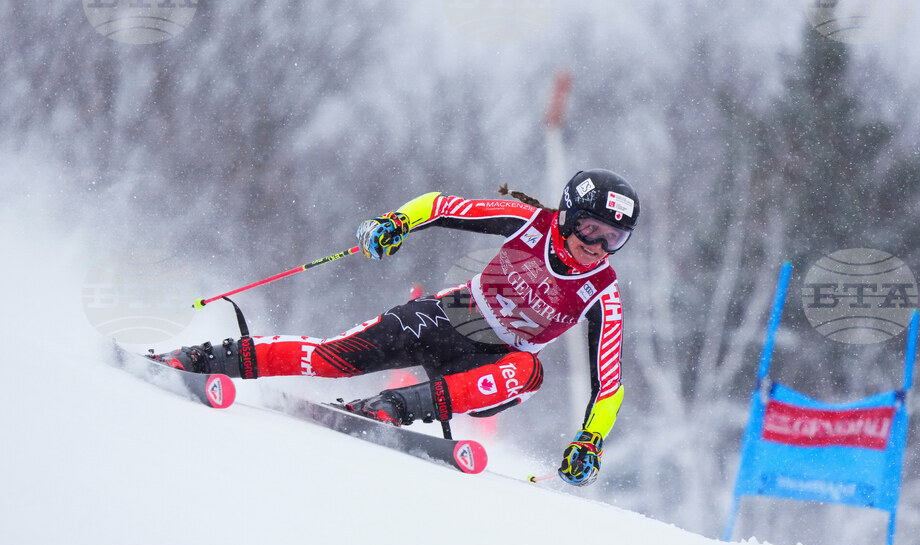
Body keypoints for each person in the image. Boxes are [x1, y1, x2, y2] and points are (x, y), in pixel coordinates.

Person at [154, 169, 639, 486]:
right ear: (569, 217)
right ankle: (202, 359)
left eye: (613, 238)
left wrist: (589, 440)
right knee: (333, 358)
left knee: (528, 370)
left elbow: (609, 385)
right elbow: (439, 205)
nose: (598, 247)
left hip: (493, 363)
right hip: (448, 317)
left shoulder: (604, 292)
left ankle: (392, 408)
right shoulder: (527, 220)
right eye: (591, 229)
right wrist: (394, 223)